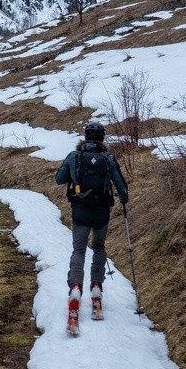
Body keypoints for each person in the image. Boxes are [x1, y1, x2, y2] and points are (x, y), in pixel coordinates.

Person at [55, 121, 128, 332]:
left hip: (80, 211)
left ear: (85, 137)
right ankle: (96, 287)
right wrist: (123, 199)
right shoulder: (108, 159)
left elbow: (59, 179)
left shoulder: (74, 156)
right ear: (103, 139)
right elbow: (121, 187)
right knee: (98, 248)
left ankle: (75, 289)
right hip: (101, 213)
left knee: (79, 250)